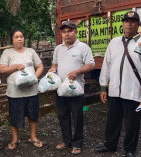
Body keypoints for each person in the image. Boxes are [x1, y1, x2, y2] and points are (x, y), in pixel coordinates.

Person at [95, 11, 141, 157]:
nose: (129, 23)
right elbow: (107, 64)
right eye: (126, 21)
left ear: (138, 24)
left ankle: (129, 149)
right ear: (122, 24)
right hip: (114, 90)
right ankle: (110, 145)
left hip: (133, 91)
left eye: (132, 21)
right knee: (112, 120)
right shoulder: (114, 42)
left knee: (132, 123)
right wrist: (103, 86)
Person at [48, 21, 95, 155]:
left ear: (75, 32)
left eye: (69, 31)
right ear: (61, 33)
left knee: (77, 117)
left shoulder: (83, 47)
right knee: (63, 116)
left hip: (76, 89)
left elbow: (90, 65)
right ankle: (66, 141)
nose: (67, 34)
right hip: (61, 89)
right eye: (64, 31)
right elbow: (55, 65)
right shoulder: (58, 48)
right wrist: (52, 71)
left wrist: (77, 72)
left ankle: (77, 143)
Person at [0, 29, 44, 150]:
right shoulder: (7, 53)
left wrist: (34, 78)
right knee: (15, 116)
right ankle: (15, 139)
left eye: (21, 36)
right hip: (15, 92)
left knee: (33, 115)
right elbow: (2, 69)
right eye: (16, 37)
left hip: (32, 90)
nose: (19, 39)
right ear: (12, 40)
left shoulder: (31, 51)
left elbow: (40, 66)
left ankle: (33, 137)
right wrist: (15, 67)